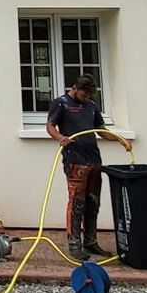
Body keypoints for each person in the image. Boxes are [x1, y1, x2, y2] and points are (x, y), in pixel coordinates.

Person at [45, 74, 107, 258]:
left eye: (89, 95)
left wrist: (121, 141)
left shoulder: (92, 105)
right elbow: (50, 126)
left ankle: (91, 242)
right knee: (77, 203)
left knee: (93, 202)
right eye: (83, 94)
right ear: (74, 88)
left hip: (93, 159)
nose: (86, 98)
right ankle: (74, 244)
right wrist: (60, 137)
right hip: (75, 160)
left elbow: (101, 130)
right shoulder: (61, 103)